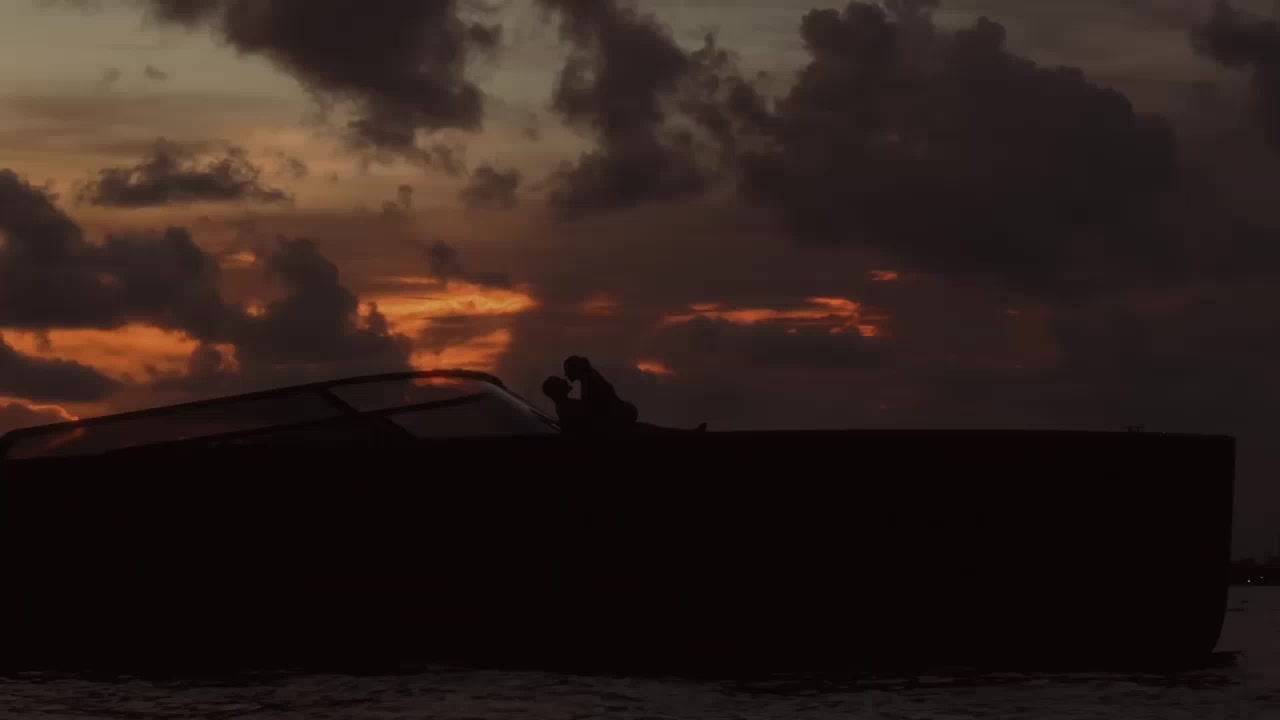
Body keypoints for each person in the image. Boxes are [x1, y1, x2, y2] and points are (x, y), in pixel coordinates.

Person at [560, 356, 707, 434]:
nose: (567, 376)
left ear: (574, 370)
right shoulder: (590, 377)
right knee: (651, 430)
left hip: (618, 416)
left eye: (568, 372)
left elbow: (593, 407)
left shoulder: (589, 380)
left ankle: (689, 434)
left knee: (651, 431)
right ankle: (689, 433)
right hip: (621, 413)